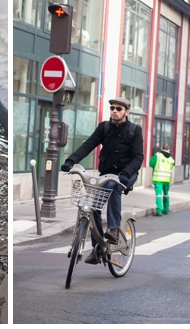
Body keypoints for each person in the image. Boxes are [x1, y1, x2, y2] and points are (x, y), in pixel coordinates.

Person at [61, 97, 144, 263]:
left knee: (113, 186)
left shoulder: (135, 130)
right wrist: (71, 161)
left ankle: (113, 229)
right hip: (106, 175)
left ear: (126, 112)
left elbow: (138, 157)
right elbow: (88, 145)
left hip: (126, 174)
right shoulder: (104, 128)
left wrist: (126, 174)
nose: (114, 111)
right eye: (112, 108)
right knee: (93, 205)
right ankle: (97, 248)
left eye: (118, 109)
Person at [149, 142, 175, 215]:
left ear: (162, 148)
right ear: (169, 149)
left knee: (159, 195)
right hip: (167, 180)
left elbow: (151, 163)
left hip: (158, 179)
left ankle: (159, 211)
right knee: (166, 194)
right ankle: (166, 209)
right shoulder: (171, 158)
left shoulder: (158, 155)